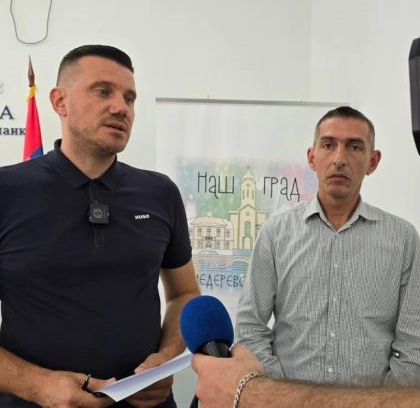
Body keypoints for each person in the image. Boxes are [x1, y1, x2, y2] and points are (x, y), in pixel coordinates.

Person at [0, 45, 200, 407]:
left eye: (130, 98)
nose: (122, 108)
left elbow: (184, 294)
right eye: (103, 91)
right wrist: (37, 385)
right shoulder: (7, 191)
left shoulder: (160, 193)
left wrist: (166, 358)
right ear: (60, 101)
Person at [235, 106, 420, 387]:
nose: (339, 159)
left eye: (354, 147)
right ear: (312, 157)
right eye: (328, 145)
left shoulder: (403, 239)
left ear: (373, 161)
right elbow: (250, 328)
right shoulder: (277, 233)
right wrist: (283, 395)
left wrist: (377, 403)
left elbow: (414, 343)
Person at [192, 344, 420, 408]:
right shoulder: (275, 241)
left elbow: (410, 349)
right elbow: (252, 329)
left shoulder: (405, 244)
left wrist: (251, 394)